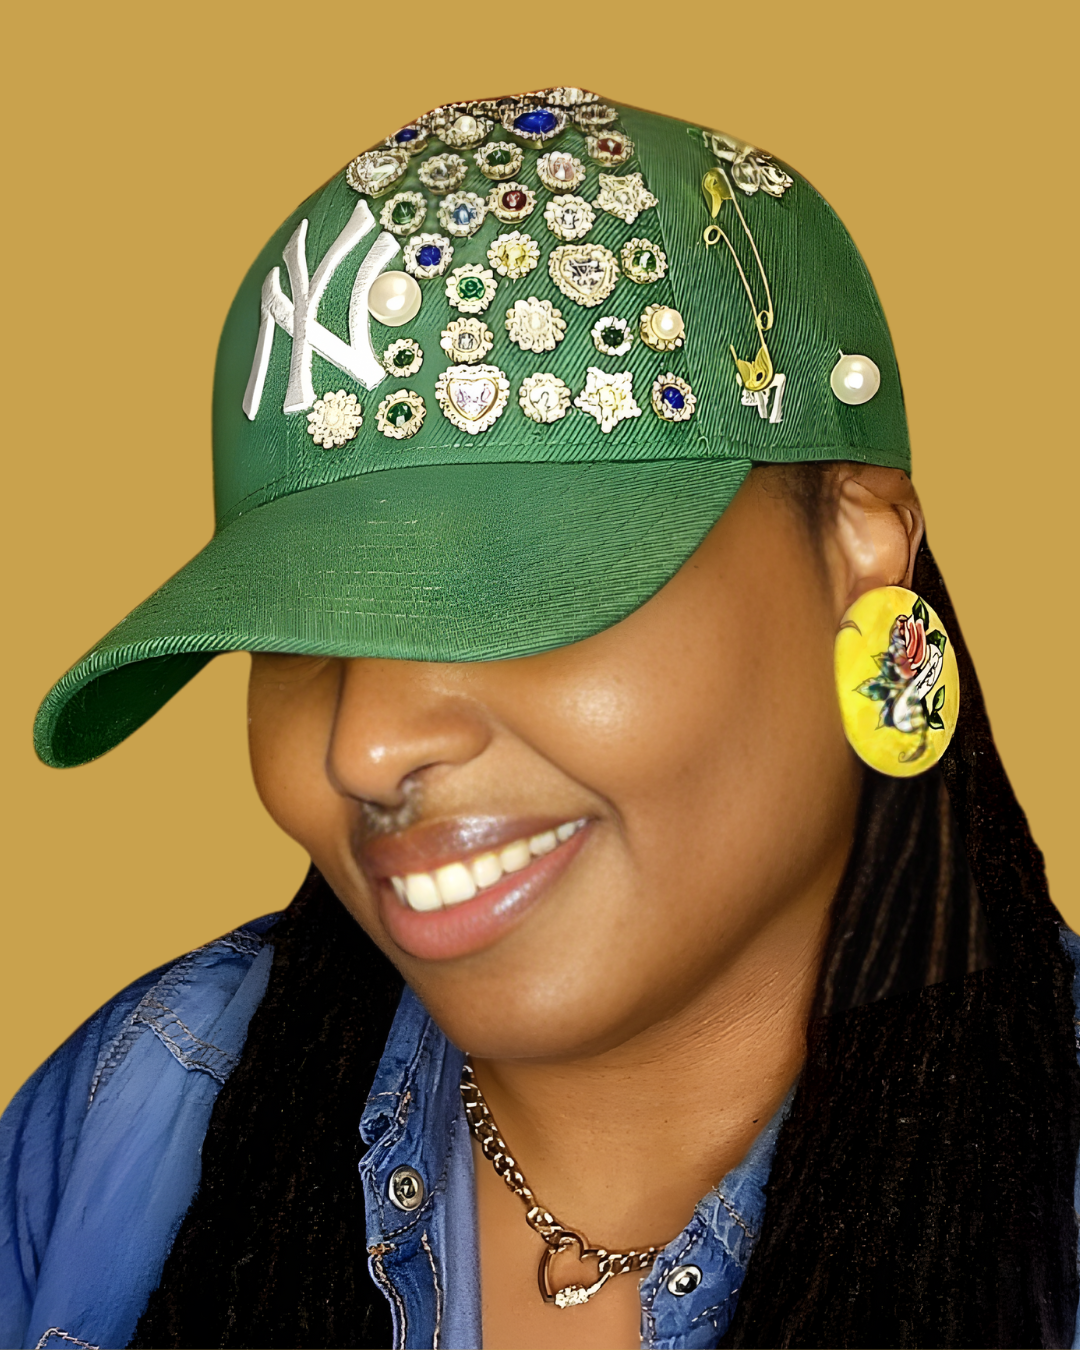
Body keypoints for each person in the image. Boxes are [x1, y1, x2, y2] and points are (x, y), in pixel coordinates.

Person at [2, 88, 1078, 1350]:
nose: (366, 746)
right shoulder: (134, 1105)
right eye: (292, 629)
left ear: (856, 546)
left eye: (514, 590)